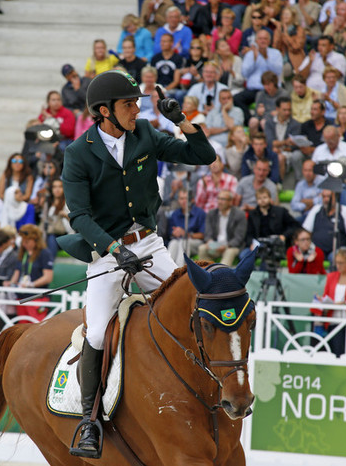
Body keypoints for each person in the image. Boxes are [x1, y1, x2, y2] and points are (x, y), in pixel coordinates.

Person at [59, 70, 215, 458]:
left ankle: (214, 391)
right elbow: (78, 216)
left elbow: (203, 156)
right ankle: (88, 422)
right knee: (96, 332)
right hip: (108, 255)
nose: (136, 109)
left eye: (138, 103)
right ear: (103, 111)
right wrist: (113, 248)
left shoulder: (145, 133)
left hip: (149, 246)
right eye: (129, 104)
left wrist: (179, 119)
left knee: (196, 302)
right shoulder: (78, 153)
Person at [240, 187, 299, 261]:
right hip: (258, 244)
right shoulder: (252, 214)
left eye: (265, 197)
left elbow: (295, 225)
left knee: (267, 258)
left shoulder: (280, 211)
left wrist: (284, 236)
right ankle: (252, 272)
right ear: (256, 200)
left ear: (270, 198)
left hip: (276, 244)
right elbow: (249, 233)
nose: (262, 200)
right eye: (259, 198)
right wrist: (251, 243)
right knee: (244, 255)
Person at [9, 223, 53, 321]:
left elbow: (48, 277)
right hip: (21, 297)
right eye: (23, 242)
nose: (24, 244)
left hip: (37, 297)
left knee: (36, 326)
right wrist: (11, 284)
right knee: (23, 326)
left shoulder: (45, 253)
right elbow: (17, 272)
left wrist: (31, 284)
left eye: (27, 241)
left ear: (36, 240)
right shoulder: (22, 253)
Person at [303, 189, 346, 262]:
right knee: (309, 257)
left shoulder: (345, 211)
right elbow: (306, 232)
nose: (326, 199)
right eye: (324, 197)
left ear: (336, 197)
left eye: (328, 197)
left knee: (335, 258)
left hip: (338, 251)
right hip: (317, 250)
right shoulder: (316, 209)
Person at [311, 125, 346, 206]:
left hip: (341, 184)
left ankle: (343, 216)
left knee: (342, 192)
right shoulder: (319, 150)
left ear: (338, 136)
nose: (329, 142)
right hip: (321, 185)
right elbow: (312, 170)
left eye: (331, 139)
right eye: (326, 139)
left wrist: (343, 180)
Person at [197, 189, 246, 266]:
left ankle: (221, 275)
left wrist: (226, 246)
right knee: (202, 248)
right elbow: (207, 233)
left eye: (223, 199)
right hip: (216, 245)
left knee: (229, 252)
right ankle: (207, 272)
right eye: (218, 199)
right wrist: (209, 242)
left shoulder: (239, 214)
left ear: (230, 202)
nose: (219, 202)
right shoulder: (212, 213)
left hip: (231, 246)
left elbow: (239, 237)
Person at [165, 187, 205, 267]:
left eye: (186, 198)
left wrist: (185, 234)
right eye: (181, 198)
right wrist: (174, 233)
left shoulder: (200, 213)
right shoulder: (175, 214)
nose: (183, 201)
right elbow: (170, 233)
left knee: (183, 243)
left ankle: (179, 270)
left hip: (195, 242)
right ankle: (168, 270)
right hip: (177, 241)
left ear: (192, 200)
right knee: (173, 243)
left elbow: (202, 235)